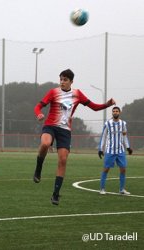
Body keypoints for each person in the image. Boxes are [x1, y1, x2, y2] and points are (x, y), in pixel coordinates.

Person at [32, 69, 116, 205]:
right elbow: (38, 106)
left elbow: (94, 107)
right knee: (46, 144)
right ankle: (38, 168)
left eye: (65, 80)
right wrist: (39, 114)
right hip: (50, 126)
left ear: (71, 81)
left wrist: (107, 105)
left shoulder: (77, 94)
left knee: (63, 159)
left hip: (65, 131)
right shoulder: (53, 92)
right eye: (61, 79)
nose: (62, 82)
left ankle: (55, 194)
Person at [98, 106, 133, 195]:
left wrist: (128, 147)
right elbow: (104, 136)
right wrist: (100, 149)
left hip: (121, 151)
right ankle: (102, 189)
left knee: (123, 169)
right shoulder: (107, 124)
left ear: (119, 112)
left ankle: (121, 189)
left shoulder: (123, 124)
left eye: (117, 111)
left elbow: (124, 136)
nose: (115, 112)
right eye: (114, 111)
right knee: (106, 169)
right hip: (110, 151)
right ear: (112, 113)